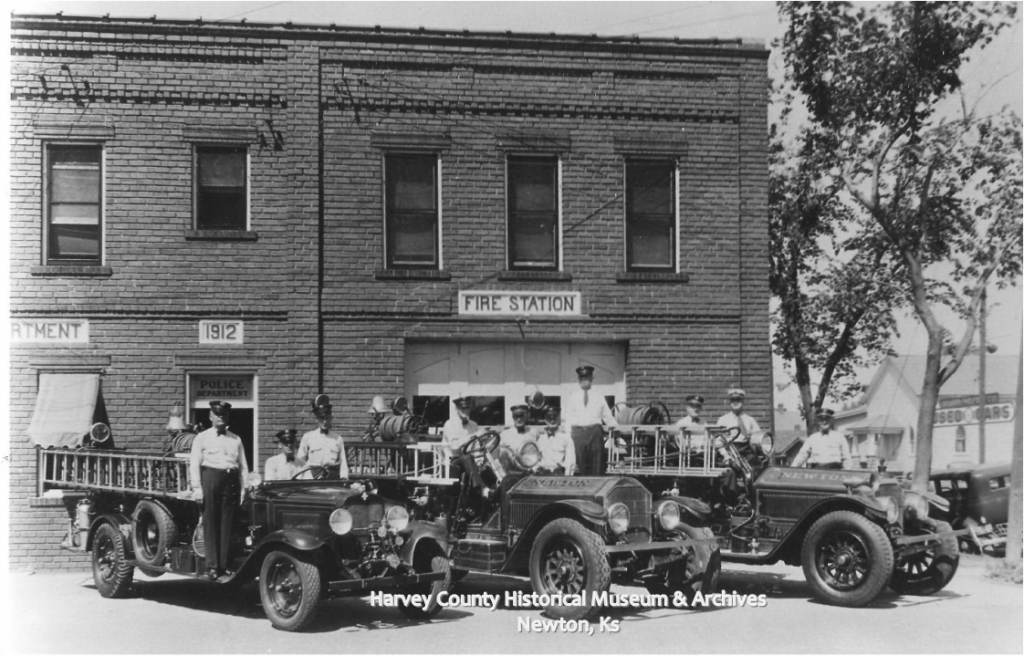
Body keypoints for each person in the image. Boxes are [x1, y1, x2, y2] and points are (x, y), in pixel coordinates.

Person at [189, 401, 248, 580]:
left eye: (224, 415)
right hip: (210, 478)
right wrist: (197, 489)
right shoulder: (202, 438)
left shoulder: (235, 439)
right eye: (217, 414)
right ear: (210, 416)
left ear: (228, 417)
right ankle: (213, 566)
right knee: (211, 522)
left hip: (230, 481)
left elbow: (243, 466)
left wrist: (244, 488)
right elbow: (194, 464)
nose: (221, 417)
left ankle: (225, 564)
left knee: (227, 523)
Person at [564, 365, 618, 475]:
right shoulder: (572, 396)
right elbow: (568, 417)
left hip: (594, 432)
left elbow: (607, 416)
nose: (584, 379)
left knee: (597, 464)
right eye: (581, 377)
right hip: (578, 434)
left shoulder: (598, 396)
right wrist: (568, 435)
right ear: (578, 379)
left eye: (587, 377)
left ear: (592, 378)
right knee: (581, 464)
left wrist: (616, 428)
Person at [297, 394, 349, 479]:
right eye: (321, 418)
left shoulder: (338, 439)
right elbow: (300, 462)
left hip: (331, 479)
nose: (324, 421)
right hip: (312, 479)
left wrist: (344, 478)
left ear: (331, 418)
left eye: (327, 418)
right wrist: (300, 481)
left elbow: (343, 463)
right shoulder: (308, 437)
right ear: (316, 419)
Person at [533, 406, 576, 475]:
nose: (552, 421)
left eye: (555, 418)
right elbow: (536, 461)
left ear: (559, 419)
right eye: (549, 418)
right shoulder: (540, 440)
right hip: (543, 475)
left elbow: (570, 462)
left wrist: (567, 478)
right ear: (545, 420)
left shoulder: (566, 438)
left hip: (558, 475)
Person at [499, 404, 539, 469]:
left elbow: (540, 453)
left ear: (526, 416)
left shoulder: (534, 433)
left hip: (530, 470)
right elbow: (501, 457)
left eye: (521, 416)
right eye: (516, 416)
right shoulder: (505, 435)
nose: (519, 419)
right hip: (512, 472)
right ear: (512, 417)